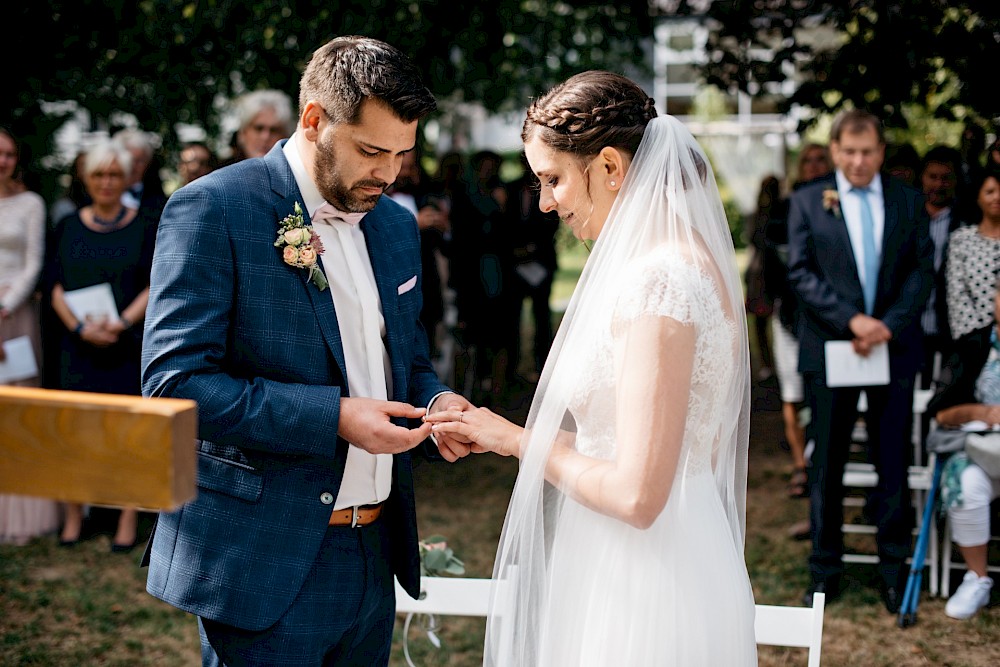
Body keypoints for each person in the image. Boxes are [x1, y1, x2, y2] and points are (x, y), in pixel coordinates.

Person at [140, 36, 473, 666]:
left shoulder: (396, 225)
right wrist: (335, 417)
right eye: (372, 151)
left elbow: (407, 356)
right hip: (262, 559)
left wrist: (436, 400)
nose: (389, 173)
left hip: (375, 550)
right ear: (314, 119)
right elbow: (174, 382)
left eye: (403, 153)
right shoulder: (213, 208)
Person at [426, 71, 756, 665]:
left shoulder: (658, 284)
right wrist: (494, 431)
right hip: (663, 544)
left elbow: (637, 493)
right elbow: (649, 443)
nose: (546, 202)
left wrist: (518, 440)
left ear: (608, 166)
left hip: (647, 576)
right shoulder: (685, 265)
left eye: (552, 179)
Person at [787, 109, 934, 613]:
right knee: (825, 464)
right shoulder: (808, 200)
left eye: (867, 152)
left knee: (890, 460)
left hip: (891, 351)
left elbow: (920, 269)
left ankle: (894, 571)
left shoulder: (907, 200)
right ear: (833, 151)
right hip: (833, 351)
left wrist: (887, 324)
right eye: (848, 152)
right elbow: (800, 274)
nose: (857, 161)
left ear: (881, 152)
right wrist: (853, 321)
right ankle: (825, 571)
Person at [47, 139, 156, 551]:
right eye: (98, 174)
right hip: (78, 349)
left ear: (127, 177)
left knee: (125, 434)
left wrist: (121, 322)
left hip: (125, 344)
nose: (106, 182)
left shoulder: (146, 223)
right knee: (75, 435)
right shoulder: (68, 226)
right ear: (85, 179)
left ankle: (127, 519)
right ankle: (75, 517)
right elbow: (52, 285)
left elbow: (154, 283)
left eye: (114, 174)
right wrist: (78, 329)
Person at [926, 277, 1000, 620]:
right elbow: (941, 412)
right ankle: (977, 578)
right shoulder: (974, 344)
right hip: (982, 453)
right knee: (964, 481)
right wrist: (983, 413)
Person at [0, 127, 59, 546]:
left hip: (15, 316)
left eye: (6, 153)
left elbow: (33, 261)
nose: (1, 160)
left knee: (18, 409)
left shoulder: (30, 203)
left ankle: (22, 512)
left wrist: (6, 306)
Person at [917, 145, 965, 387]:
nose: (938, 185)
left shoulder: (965, 222)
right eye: (932, 177)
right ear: (922, 178)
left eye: (945, 178)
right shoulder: (908, 218)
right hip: (911, 328)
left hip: (949, 329)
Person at [945, 169, 1000, 347]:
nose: (997, 197)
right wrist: (979, 336)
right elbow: (957, 292)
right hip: (973, 344)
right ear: (978, 197)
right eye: (990, 192)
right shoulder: (962, 239)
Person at [224, 89, 295, 164]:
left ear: (285, 135)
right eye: (259, 128)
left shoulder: (298, 173)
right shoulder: (221, 174)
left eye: (274, 130)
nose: (265, 137)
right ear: (243, 133)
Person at [112, 128, 167, 222]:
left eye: (139, 161)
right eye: (128, 161)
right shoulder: (96, 199)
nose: (133, 167)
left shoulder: (160, 204)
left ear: (148, 163)